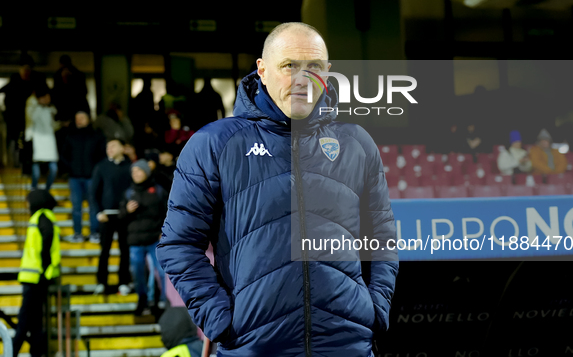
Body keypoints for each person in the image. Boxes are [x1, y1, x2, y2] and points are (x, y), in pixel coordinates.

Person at [157, 22, 398, 356]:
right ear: (262, 70)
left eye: (314, 67)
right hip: (252, 346)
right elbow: (178, 244)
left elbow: (382, 239)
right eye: (289, 66)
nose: (303, 79)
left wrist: (375, 312)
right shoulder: (213, 143)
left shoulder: (357, 143)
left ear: (327, 73)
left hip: (347, 346)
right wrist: (222, 321)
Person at [13, 189, 61, 357]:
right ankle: (36, 352)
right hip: (36, 277)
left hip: (36, 278)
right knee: (34, 321)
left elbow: (45, 246)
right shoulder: (44, 217)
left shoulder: (42, 218)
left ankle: (12, 352)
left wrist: (43, 271)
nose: (27, 205)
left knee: (25, 319)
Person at [119, 159, 168, 315]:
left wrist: (164, 232)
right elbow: (121, 217)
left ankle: (163, 302)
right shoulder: (128, 193)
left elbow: (169, 213)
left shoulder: (159, 191)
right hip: (135, 241)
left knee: (161, 272)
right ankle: (142, 300)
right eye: (133, 172)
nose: (136, 174)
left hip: (155, 239)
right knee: (138, 274)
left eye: (139, 171)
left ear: (146, 173)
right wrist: (127, 210)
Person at [90, 139, 132, 295]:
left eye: (113, 146)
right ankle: (101, 282)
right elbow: (93, 192)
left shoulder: (129, 167)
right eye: (107, 147)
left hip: (125, 215)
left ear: (122, 148)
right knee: (104, 250)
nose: (109, 149)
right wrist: (98, 212)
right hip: (106, 216)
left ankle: (124, 282)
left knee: (125, 250)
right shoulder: (101, 166)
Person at [61, 111, 105, 243]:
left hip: (92, 177)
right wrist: (70, 168)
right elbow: (63, 155)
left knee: (93, 206)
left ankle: (94, 233)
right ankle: (77, 233)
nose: (79, 120)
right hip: (74, 177)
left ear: (88, 119)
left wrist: (96, 171)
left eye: (82, 118)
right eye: (77, 118)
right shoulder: (70, 136)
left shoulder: (97, 136)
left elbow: (102, 155)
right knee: (76, 207)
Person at [0, 54, 46, 167]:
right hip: (15, 120)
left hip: (33, 121)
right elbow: (5, 92)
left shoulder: (37, 81)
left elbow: (45, 96)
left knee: (31, 144)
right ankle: (17, 164)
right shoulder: (14, 80)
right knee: (16, 144)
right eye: (23, 69)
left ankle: (31, 164)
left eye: (28, 69)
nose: (25, 72)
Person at [25, 85, 60, 190]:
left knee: (54, 169)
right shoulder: (34, 108)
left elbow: (52, 125)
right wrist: (39, 105)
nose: (48, 99)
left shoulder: (52, 109)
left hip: (50, 140)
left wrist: (61, 124)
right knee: (36, 172)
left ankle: (46, 190)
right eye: (45, 97)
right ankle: (34, 188)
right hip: (38, 140)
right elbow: (32, 118)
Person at [52, 54, 90, 125]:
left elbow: (83, 92)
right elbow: (55, 95)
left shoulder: (78, 75)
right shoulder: (57, 76)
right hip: (62, 110)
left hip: (77, 108)